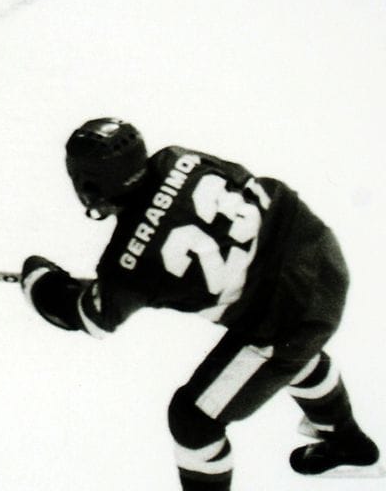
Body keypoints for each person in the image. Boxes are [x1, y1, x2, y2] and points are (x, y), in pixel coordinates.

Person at [20, 117, 381, 489]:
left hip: (290, 315)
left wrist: (38, 279)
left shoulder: (128, 266)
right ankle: (347, 444)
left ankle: (345, 441)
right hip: (317, 250)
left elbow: (90, 317)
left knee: (193, 420)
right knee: (286, 352)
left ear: (89, 185)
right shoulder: (178, 158)